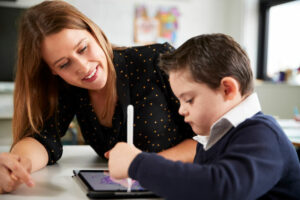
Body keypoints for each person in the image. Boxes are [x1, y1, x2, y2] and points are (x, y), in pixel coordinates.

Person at [0, 0, 196, 194]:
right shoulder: (69, 87)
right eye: (63, 64)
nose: (84, 67)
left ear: (94, 33)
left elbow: (212, 140)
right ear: (52, 71)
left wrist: (142, 165)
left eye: (83, 48)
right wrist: (17, 165)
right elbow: (42, 138)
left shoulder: (157, 60)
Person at [108, 33, 300, 200]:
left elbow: (220, 189)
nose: (181, 110)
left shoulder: (264, 136)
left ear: (227, 89)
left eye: (189, 100)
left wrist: (138, 163)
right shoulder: (213, 136)